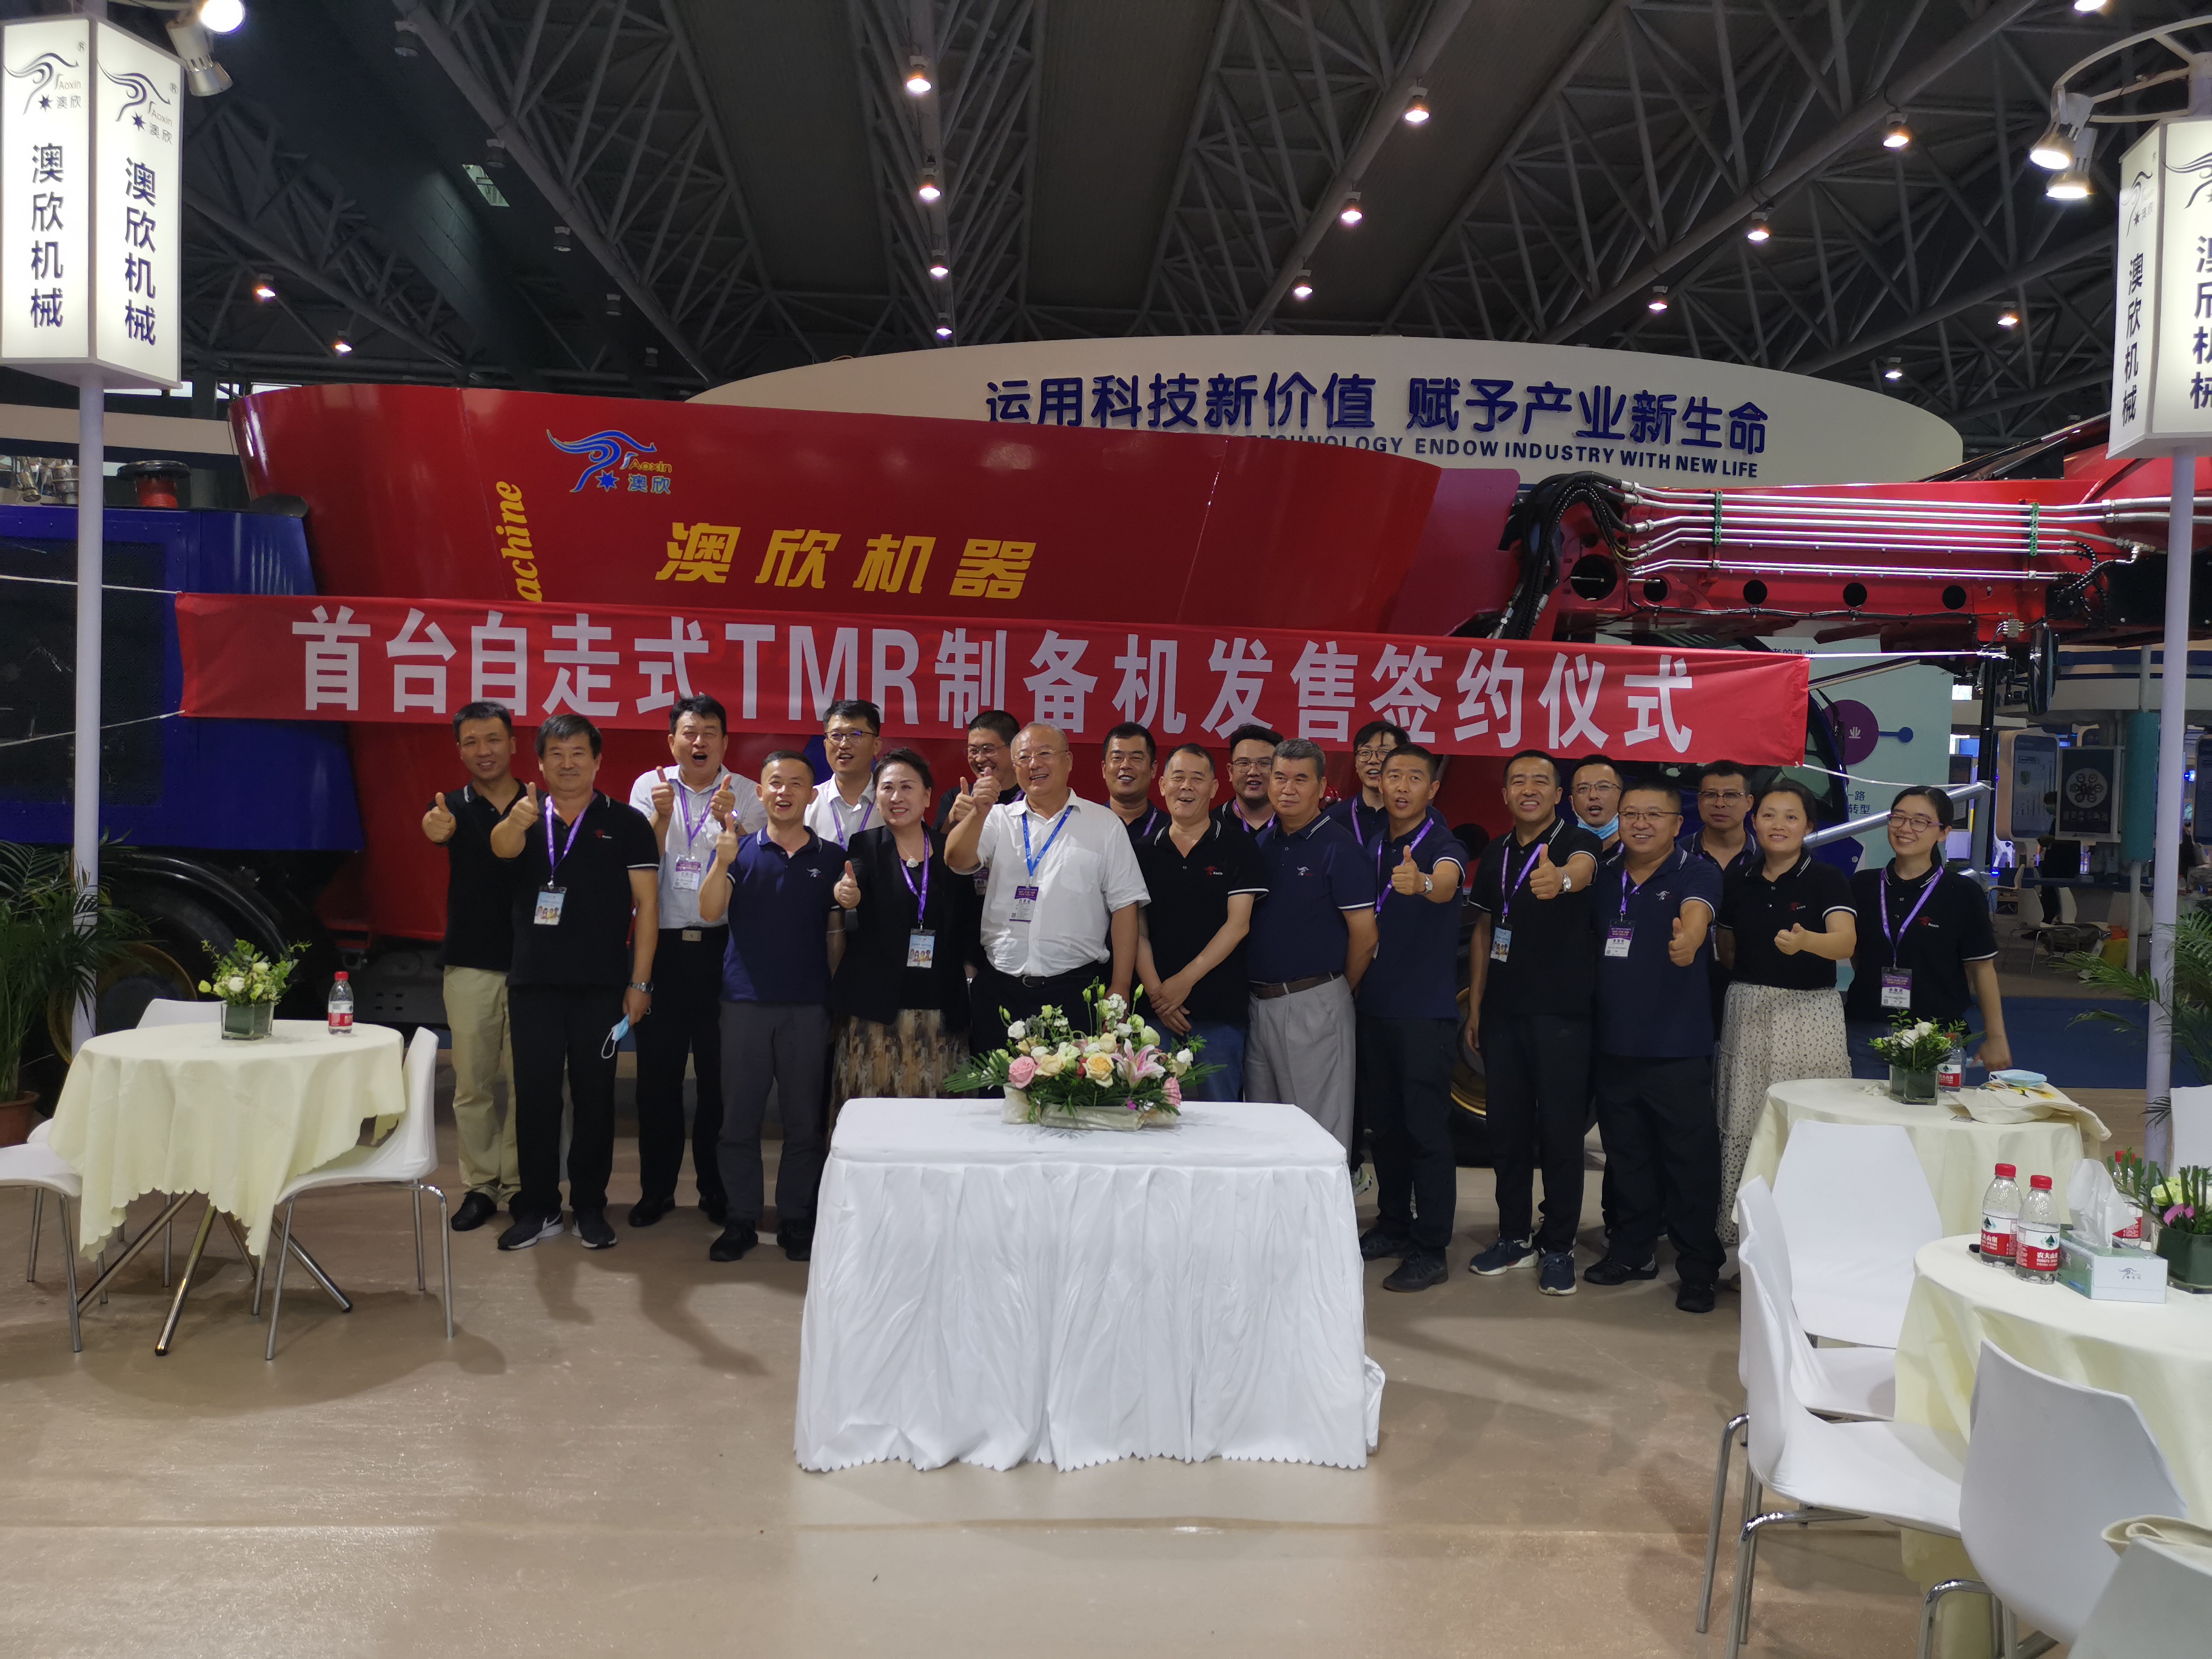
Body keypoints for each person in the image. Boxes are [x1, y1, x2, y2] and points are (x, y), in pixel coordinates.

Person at [488, 714, 659, 1253]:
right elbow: (501, 849)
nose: (567, 764)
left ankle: (589, 1206)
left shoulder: (626, 823)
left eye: (578, 753)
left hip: (600, 986)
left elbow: (648, 906)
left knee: (595, 1098)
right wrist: (516, 822)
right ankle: (539, 1207)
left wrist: (641, 983)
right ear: (539, 763)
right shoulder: (523, 815)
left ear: (597, 760)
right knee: (535, 1098)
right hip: (533, 984)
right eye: (556, 754)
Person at [697, 751, 847, 1263]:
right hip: (745, 1002)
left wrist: (833, 997)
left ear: (812, 795)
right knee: (739, 1118)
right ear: (759, 793)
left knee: (804, 1121)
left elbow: (836, 934)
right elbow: (710, 911)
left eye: (796, 784)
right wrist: (721, 860)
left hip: (807, 1005)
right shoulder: (738, 850)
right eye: (775, 784)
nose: (784, 792)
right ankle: (741, 1217)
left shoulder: (832, 857)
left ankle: (796, 1217)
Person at [1464, 749, 1602, 1298]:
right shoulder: (1497, 852)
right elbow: (1484, 929)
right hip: (1503, 1011)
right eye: (1518, 781)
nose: (1528, 789)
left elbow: (1582, 871)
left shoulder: (1577, 841)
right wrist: (1477, 1004)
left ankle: (1559, 1244)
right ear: (1504, 794)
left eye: (1540, 781)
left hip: (1562, 1013)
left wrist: (1561, 881)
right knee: (1507, 1131)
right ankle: (1513, 1236)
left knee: (1561, 1133)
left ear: (1558, 794)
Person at [1586, 780, 1725, 1313]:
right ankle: (1632, 1252)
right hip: (1614, 1044)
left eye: (1653, 815)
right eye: (1630, 815)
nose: (1640, 824)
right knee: (1628, 1159)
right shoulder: (1604, 874)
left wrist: (1689, 940)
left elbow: (1698, 913)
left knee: (1689, 1164)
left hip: (1676, 1047)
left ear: (1676, 823)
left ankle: (1698, 1270)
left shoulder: (1696, 871)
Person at [625, 694, 756, 1230]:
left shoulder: (748, 792)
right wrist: (659, 816)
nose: (699, 742)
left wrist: (733, 826)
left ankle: (715, 1190)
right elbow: (641, 864)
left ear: (725, 742)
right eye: (689, 732)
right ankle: (656, 1191)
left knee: (718, 1082)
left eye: (709, 733)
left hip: (724, 952)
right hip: (662, 949)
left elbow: (754, 869)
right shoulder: (649, 786)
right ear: (672, 740)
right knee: (656, 1081)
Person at [943, 722, 1149, 1057]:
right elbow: (956, 859)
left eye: (1044, 754)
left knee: (1071, 1089)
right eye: (1023, 757)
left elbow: (1125, 907)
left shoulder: (1104, 825)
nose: (1034, 764)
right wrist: (978, 813)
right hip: (1000, 989)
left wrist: (1120, 986)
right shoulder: (997, 819)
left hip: (1075, 991)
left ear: (1069, 761)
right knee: (995, 1088)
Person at [1713, 780, 1857, 1241]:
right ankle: (1747, 1239)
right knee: (1745, 1125)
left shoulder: (1827, 878)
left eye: (1791, 817)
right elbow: (1727, 947)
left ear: (1809, 826)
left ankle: (1809, 1239)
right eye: (1769, 815)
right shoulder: (1738, 879)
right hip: (1748, 1011)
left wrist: (1806, 942)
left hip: (1810, 1014)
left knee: (1806, 1126)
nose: (1779, 825)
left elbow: (1846, 942)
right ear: (1754, 820)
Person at [1353, 745, 1466, 1293]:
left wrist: (1421, 884)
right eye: (1392, 775)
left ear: (1432, 789)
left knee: (1426, 1132)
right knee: (1387, 1129)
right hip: (1374, 1006)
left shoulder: (1443, 845)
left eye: (1414, 777)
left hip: (1424, 1013)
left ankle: (1431, 1246)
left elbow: (1446, 882)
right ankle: (1394, 1224)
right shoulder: (1375, 843)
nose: (1401, 786)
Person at [420, 701, 524, 1232]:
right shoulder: (450, 807)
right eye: (471, 742)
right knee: (473, 1085)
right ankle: (480, 1187)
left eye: (493, 739)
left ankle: (522, 1185)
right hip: (469, 965)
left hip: (533, 966)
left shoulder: (542, 805)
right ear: (459, 750)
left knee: (531, 1083)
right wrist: (434, 826)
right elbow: (434, 828)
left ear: (513, 744)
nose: (484, 751)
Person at [1244, 738, 1378, 1147]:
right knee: (1264, 1134)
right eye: (1280, 778)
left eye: (1301, 779)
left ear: (1321, 787)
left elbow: (1365, 936)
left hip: (1314, 1001)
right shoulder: (1263, 844)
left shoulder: (1339, 846)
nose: (1288, 789)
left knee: (1317, 1137)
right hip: (1258, 1003)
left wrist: (1335, 991)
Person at [828, 749, 970, 1103]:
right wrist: (846, 893)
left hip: (940, 1009)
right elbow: (852, 882)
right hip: (877, 1013)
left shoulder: (950, 850)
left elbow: (967, 918)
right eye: (887, 788)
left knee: (937, 1115)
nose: (896, 797)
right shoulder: (866, 845)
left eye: (907, 787)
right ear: (876, 797)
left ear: (927, 796)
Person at [1846, 786, 2011, 1079]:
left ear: (1943, 832)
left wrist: (1996, 1037)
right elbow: (1857, 954)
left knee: (1934, 1108)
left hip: (1937, 1038)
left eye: (1920, 821)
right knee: (1862, 1108)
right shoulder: (1862, 885)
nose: (1905, 828)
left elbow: (1982, 968)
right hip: (1865, 1033)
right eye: (1898, 818)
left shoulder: (1962, 893)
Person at [1134, 742, 1268, 1102]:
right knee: (1149, 1111)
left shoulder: (1239, 847)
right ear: (1162, 784)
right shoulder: (1141, 852)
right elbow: (1136, 931)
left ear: (1214, 788)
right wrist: (1159, 996)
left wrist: (1183, 982)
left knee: (1220, 1117)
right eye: (1178, 777)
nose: (1187, 787)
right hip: (1154, 1013)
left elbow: (1238, 925)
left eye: (1197, 778)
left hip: (1218, 1011)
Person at [806, 698, 883, 849]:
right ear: (825, 744)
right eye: (836, 735)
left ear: (876, 745)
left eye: (855, 734)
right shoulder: (808, 802)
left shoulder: (895, 801)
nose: (844, 744)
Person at [933, 709, 1024, 832]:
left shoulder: (1034, 797)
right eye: (974, 751)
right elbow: (936, 843)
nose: (979, 759)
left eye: (988, 749)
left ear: (1014, 749)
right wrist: (953, 819)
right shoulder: (957, 799)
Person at [1322, 720, 1406, 848]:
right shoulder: (1333, 819)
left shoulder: (1420, 818)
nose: (1373, 760)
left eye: (1383, 752)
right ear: (1356, 764)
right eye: (1365, 752)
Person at [1215, 723, 1282, 836]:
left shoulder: (1294, 823)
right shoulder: (1211, 824)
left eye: (1264, 763)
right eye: (1244, 763)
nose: (1253, 772)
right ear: (1231, 772)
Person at [1102, 722, 1164, 841]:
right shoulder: (1086, 824)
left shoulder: (1170, 830)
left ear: (1153, 769)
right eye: (1117, 758)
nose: (1125, 765)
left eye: (1136, 758)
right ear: (1104, 769)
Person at [1569, 756, 1626, 862]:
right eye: (1583, 788)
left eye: (1604, 787)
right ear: (1572, 802)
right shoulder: (1559, 851)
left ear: (1623, 799)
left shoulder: (1637, 853)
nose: (1593, 795)